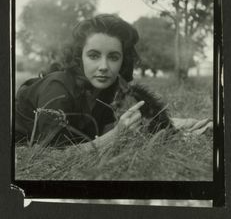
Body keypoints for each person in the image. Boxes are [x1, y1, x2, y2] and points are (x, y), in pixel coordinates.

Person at [15, 14, 145, 148]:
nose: (104, 67)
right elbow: (51, 156)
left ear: (123, 61)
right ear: (79, 56)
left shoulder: (107, 89)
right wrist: (114, 135)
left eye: (113, 57)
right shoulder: (57, 89)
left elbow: (97, 138)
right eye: (93, 56)